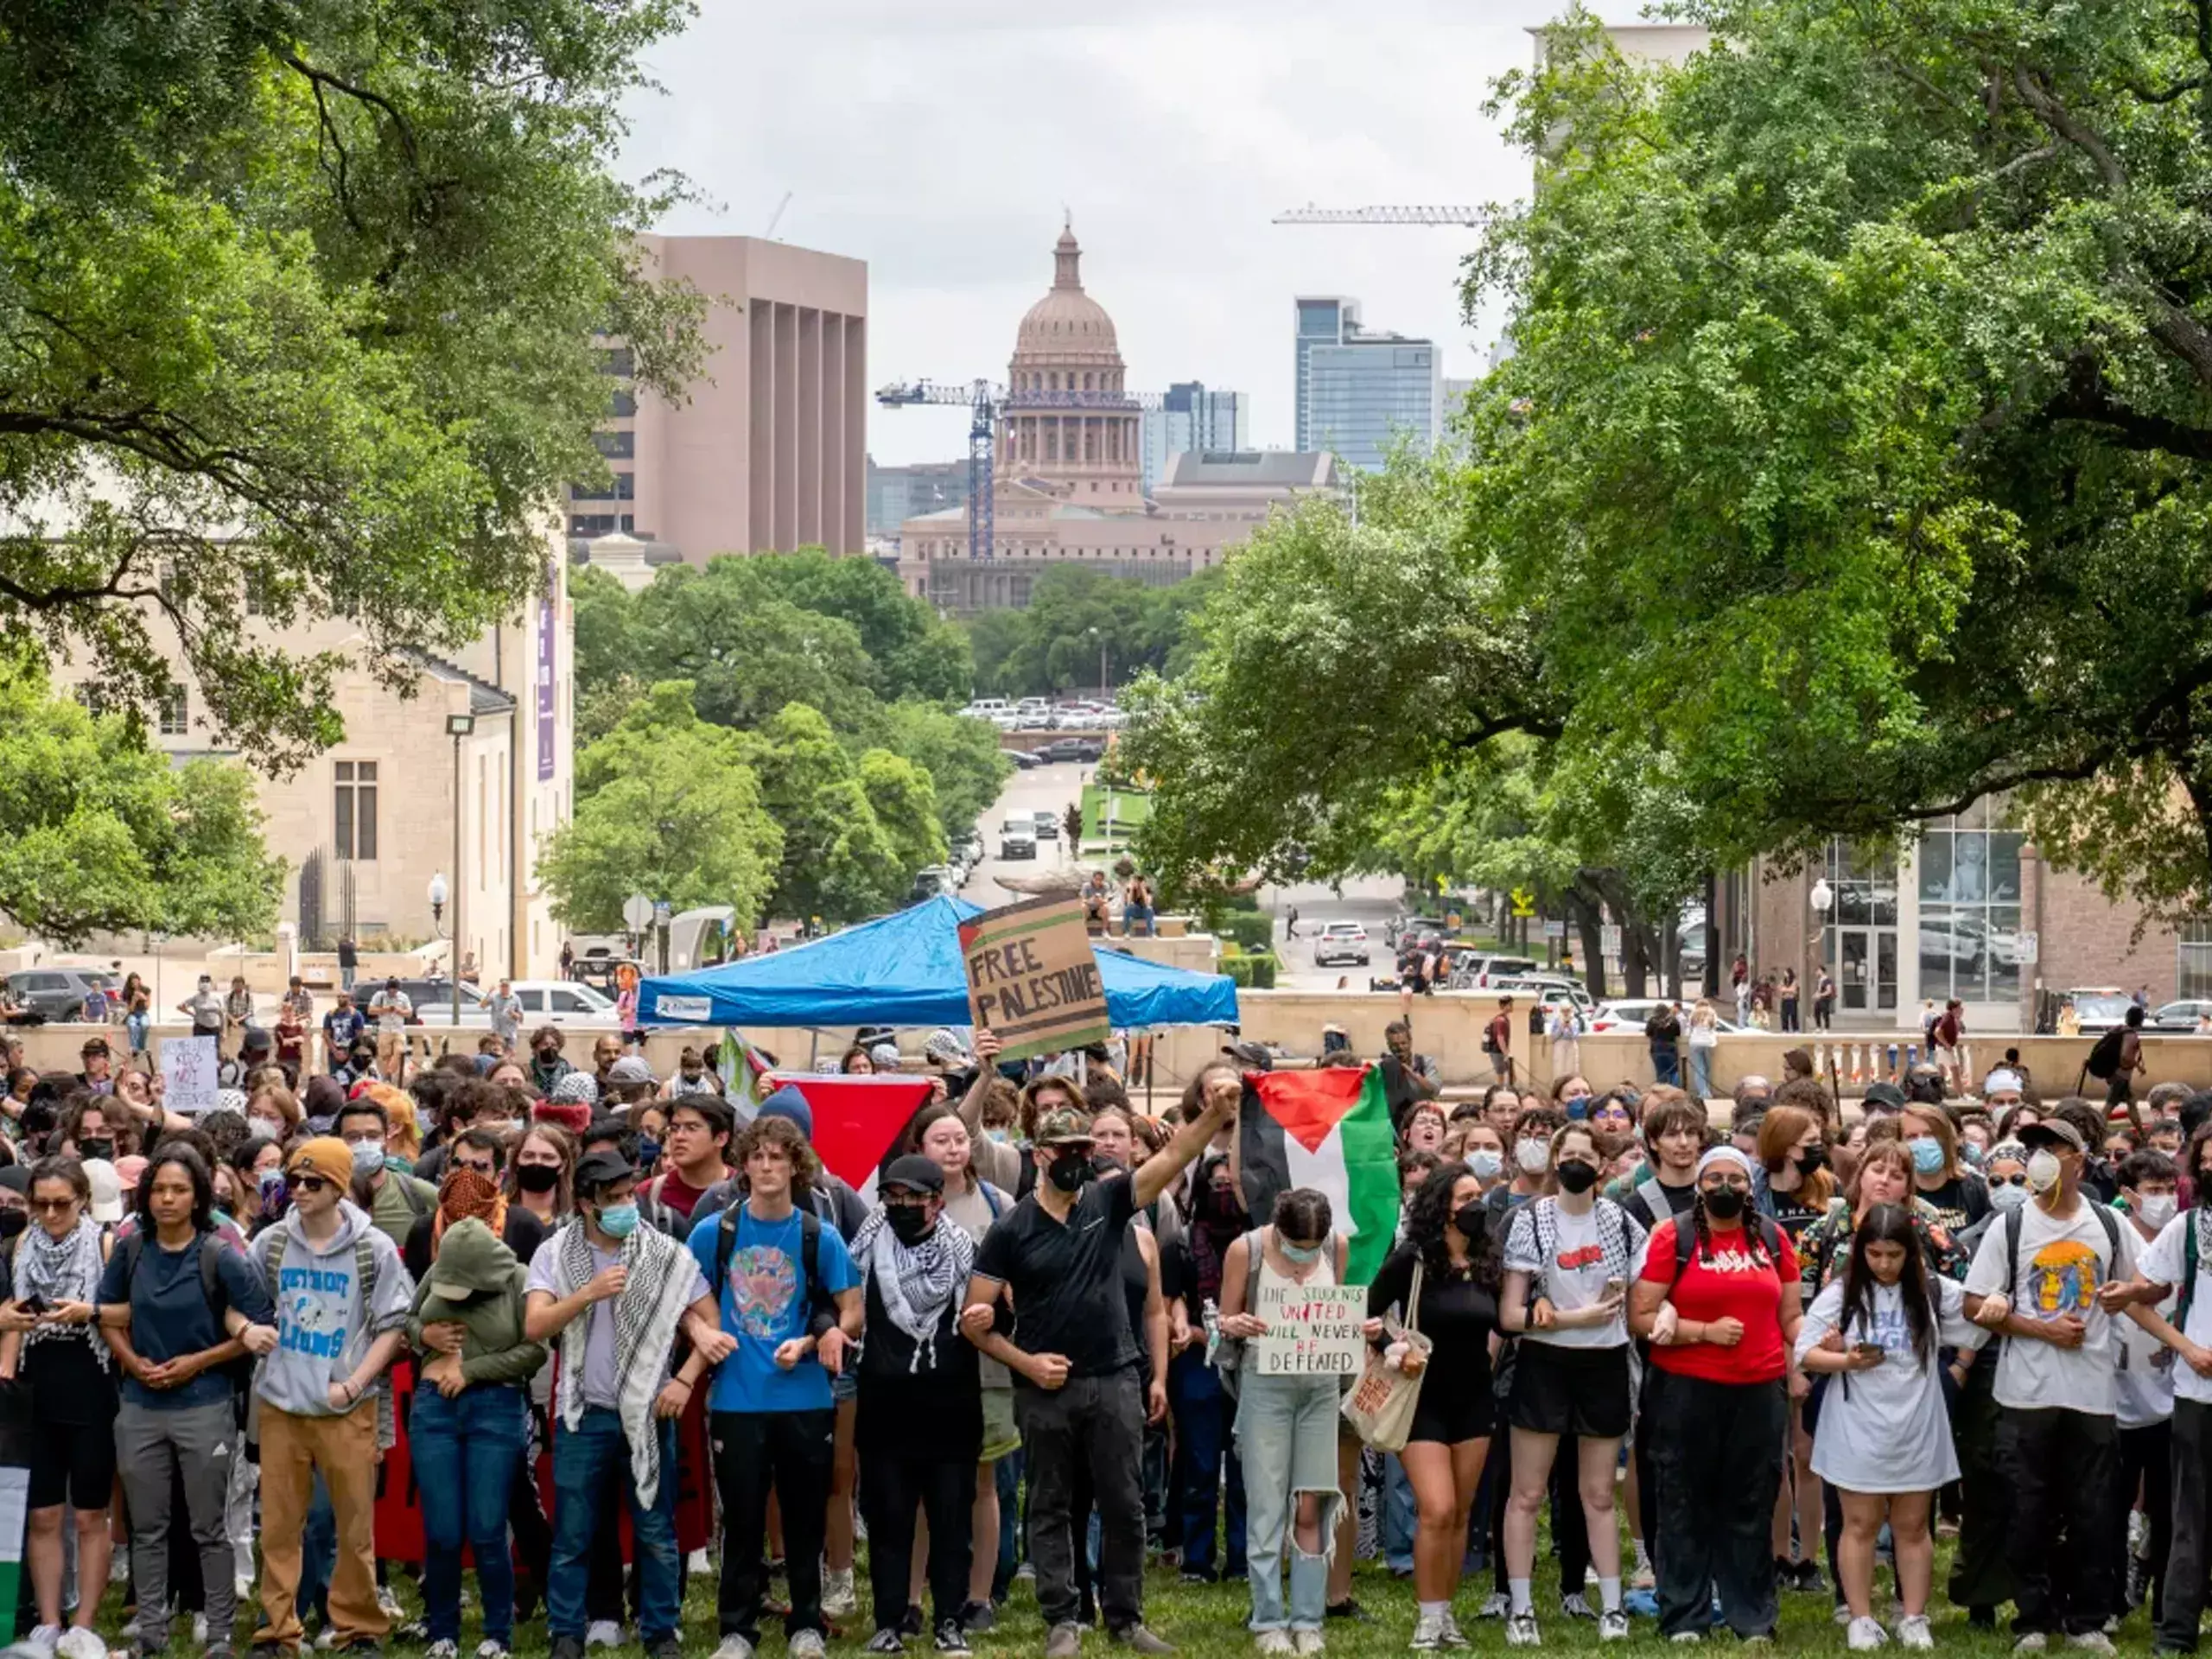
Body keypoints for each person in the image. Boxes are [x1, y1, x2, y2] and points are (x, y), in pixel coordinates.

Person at [960, 1072, 1239, 1659]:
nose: (1081, 1160)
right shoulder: (1011, 1229)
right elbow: (973, 1318)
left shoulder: (1108, 1203)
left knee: (1125, 1504)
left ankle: (1126, 1619)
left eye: (1087, 1150)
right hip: (1045, 1389)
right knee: (1050, 1506)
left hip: (1115, 1378)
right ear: (1042, 1156)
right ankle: (1063, 1619)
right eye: (1069, 1152)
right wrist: (1027, 1363)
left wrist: (1214, 1114)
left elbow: (1172, 1156)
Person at [1963, 1116, 2157, 1650]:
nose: (2043, 1157)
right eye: (2036, 1148)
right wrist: (2038, 1328)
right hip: (2025, 1394)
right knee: (2028, 1508)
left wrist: (2130, 1297)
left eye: (2055, 1147)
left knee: (2094, 1509)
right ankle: (2033, 1617)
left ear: (2080, 1159)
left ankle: (2088, 1618)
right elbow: (1975, 1303)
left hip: (2092, 1392)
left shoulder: (2108, 1225)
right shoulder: (2011, 1227)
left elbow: (2141, 1288)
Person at [524, 1148, 718, 1659]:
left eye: (628, 1195)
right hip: (582, 1413)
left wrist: (684, 1381)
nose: (625, 1205)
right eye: (613, 1198)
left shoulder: (664, 1253)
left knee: (656, 1530)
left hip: (650, 1413)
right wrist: (586, 1294)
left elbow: (709, 1323)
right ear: (587, 1204)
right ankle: (567, 1631)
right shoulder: (555, 1253)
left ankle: (660, 1632)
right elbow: (536, 1325)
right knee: (573, 1531)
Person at [687, 1114, 862, 1659]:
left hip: (804, 1395)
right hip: (737, 1397)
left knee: (805, 1514)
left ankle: (806, 1623)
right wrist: (701, 1332)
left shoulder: (819, 1235)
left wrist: (817, 1341)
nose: (766, 1166)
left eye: (777, 1156)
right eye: (757, 1156)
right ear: (741, 1164)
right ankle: (737, 1629)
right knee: (740, 1518)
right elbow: (687, 1303)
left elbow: (853, 1309)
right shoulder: (714, 1232)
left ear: (796, 1165)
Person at [96, 1144, 274, 1659]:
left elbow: (258, 1325)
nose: (167, 1199)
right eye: (159, 1189)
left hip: (205, 1403)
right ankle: (151, 1634)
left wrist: (198, 1362)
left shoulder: (221, 1255)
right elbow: (109, 1317)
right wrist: (133, 1363)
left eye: (179, 1190)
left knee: (207, 1526)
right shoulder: (131, 1250)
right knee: (147, 1527)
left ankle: (218, 1634)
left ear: (198, 1197)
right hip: (140, 1404)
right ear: (146, 1195)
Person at [1629, 1145, 1804, 1642]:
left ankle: (1752, 1616)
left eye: (1737, 1178)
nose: (1726, 1187)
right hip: (1685, 1390)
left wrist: (1816, 1339)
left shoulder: (1771, 1237)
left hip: (1759, 1389)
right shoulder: (1673, 1236)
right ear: (1699, 1185)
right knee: (1683, 1500)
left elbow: (1790, 1315)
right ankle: (1686, 1615)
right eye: (1715, 1178)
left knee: (1751, 1503)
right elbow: (1640, 1317)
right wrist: (1701, 1331)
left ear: (1751, 1186)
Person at [250, 1136, 414, 1656]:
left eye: (312, 1181)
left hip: (347, 1407)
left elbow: (393, 1323)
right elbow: (242, 1304)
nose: (298, 1190)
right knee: (278, 1526)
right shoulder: (272, 1243)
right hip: (281, 1404)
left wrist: (356, 1383)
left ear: (339, 1186)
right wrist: (244, 1329)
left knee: (354, 1527)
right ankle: (278, 1629)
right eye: (293, 1180)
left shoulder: (373, 1247)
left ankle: (358, 1627)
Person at [1796, 1203, 1985, 1650]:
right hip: (1858, 1424)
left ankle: (1914, 1617)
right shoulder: (1840, 1294)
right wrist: (1846, 1359)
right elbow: (1804, 1353)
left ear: (1912, 1254)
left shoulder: (1936, 1291)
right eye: (1875, 1255)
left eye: (1894, 1255)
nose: (1884, 1264)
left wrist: (1970, 1345)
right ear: (1861, 1252)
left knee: (1914, 1524)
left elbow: (1979, 1319)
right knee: (1859, 1523)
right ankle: (1860, 1618)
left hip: (1917, 1423)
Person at [1497, 1124, 1646, 1645]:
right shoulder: (1531, 1220)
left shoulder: (1622, 1224)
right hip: (1545, 1364)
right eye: (1568, 1153)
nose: (1577, 1162)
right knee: (1528, 1491)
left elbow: (1644, 1296)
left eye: (1587, 1155)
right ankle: (1520, 1608)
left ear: (1602, 1166)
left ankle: (1611, 1606)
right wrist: (1565, 1319)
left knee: (1599, 1494)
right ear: (1555, 1159)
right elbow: (1511, 1314)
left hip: (1603, 1364)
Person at [1364, 1159, 1502, 1652]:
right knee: (1436, 1508)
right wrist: (1395, 1349)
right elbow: (1368, 1312)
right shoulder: (1414, 1258)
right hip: (1421, 1399)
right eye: (1465, 1198)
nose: (1475, 1205)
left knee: (1461, 1515)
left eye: (1478, 1196)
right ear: (1442, 1207)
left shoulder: (1490, 1260)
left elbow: (1506, 1321)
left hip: (1475, 1399)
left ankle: (1445, 1615)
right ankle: (1425, 1619)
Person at [849, 1155, 980, 1656]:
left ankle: (950, 1619)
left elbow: (996, 1317)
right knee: (889, 1521)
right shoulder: (865, 1248)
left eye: (914, 1198)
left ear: (937, 1201)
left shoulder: (966, 1252)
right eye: (893, 1197)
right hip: (885, 1407)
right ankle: (888, 1621)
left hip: (951, 1406)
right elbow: (841, 1304)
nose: (902, 1207)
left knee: (951, 1522)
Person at [406, 1211, 546, 1659]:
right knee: (443, 1529)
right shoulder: (438, 1270)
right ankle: (441, 1632)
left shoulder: (519, 1280)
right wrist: (423, 1332)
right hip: (433, 1408)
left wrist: (472, 1370)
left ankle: (496, 1634)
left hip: (496, 1407)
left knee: (488, 1528)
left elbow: (535, 1352)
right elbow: (407, 1323)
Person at [1213, 1189, 1345, 1656]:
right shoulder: (1245, 1250)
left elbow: (1337, 1314)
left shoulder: (1336, 1247)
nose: (1304, 1253)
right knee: (1267, 1505)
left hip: (1321, 1385)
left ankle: (1309, 1618)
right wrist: (1235, 1324)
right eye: (1296, 1244)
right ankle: (1268, 1619)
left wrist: (1357, 1329)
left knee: (1313, 1501)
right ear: (1279, 1229)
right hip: (1265, 1381)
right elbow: (1223, 1319)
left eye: (1313, 1246)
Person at [1, 1157, 117, 1659]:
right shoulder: (22, 1245)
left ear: (83, 1201)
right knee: (43, 1514)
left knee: (91, 1514)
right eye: (39, 1204)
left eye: (61, 1204)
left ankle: (86, 1621)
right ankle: (49, 1620)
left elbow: (126, 1313)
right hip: (37, 1381)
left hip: (90, 1380)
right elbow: (8, 1316)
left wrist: (88, 1311)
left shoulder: (106, 1244)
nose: (49, 1214)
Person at [335, 1093, 436, 1248]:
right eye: (353, 1137)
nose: (364, 1144)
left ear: (387, 1137)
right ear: (339, 1141)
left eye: (373, 1136)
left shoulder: (415, 1192)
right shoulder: (328, 1196)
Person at [365, 977, 411, 1082]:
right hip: (384, 1029)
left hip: (398, 1029)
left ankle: (389, 1072)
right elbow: (370, 1010)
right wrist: (386, 1009)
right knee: (385, 1056)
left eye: (394, 991)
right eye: (390, 991)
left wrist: (398, 1011)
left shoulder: (403, 997)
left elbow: (409, 1013)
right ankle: (387, 1079)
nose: (392, 993)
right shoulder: (379, 996)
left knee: (399, 1051)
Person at [321, 994, 365, 1077]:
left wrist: (348, 1052)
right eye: (338, 996)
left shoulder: (356, 1015)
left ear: (349, 998)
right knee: (335, 1079)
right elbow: (326, 1034)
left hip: (351, 1051)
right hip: (335, 1051)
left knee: (351, 1078)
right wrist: (335, 1052)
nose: (341, 998)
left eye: (344, 996)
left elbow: (359, 1036)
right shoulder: (330, 1014)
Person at [1644, 1001, 1682, 1090]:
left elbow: (1648, 1033)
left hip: (1657, 1048)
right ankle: (1674, 1090)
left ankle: (1662, 1092)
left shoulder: (1652, 1020)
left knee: (1660, 1072)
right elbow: (1678, 1033)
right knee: (1674, 1071)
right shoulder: (1673, 1020)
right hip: (1670, 1048)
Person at [1687, 1001, 1719, 1102]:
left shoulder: (1694, 1013)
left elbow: (1690, 1028)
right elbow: (1714, 1027)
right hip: (1709, 1042)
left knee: (1699, 1069)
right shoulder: (1711, 1013)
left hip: (1695, 1042)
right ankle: (1708, 1091)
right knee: (1707, 1068)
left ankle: (1703, 1092)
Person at [1484, 999, 1515, 1088]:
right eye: (1510, 1004)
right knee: (1500, 1075)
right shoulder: (1501, 1021)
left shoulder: (1502, 1019)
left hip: (1498, 1051)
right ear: (1503, 1006)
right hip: (1498, 1051)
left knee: (1505, 1074)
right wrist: (1506, 1053)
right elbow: (1500, 1038)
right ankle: (1499, 1093)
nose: (1512, 1006)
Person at [487, 981, 524, 1056]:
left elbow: (521, 1018)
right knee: (497, 1055)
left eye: (506, 986)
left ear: (509, 987)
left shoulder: (515, 998)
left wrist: (513, 1013)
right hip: (498, 1033)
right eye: (502, 986)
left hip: (510, 1033)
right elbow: (482, 1005)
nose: (504, 988)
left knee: (510, 1055)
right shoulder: (495, 997)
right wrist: (489, 993)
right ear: (500, 987)